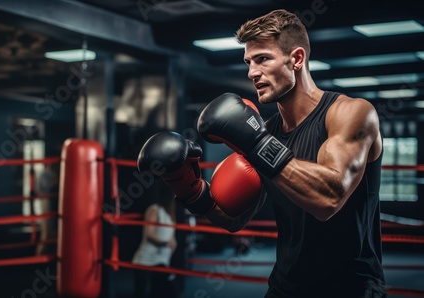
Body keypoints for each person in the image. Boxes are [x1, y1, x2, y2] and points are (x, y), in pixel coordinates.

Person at [138, 9, 386, 298]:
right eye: (248, 62)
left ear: (296, 59)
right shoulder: (264, 131)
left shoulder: (350, 113)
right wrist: (190, 190)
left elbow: (328, 199)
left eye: (262, 59)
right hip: (285, 287)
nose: (252, 72)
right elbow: (233, 220)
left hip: (351, 289)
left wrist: (256, 143)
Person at [131, 182, 179, 298]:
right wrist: (165, 243)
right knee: (144, 293)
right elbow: (150, 233)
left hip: (162, 261)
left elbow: (172, 237)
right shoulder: (154, 210)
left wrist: (173, 243)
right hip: (146, 260)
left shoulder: (170, 215)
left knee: (165, 292)